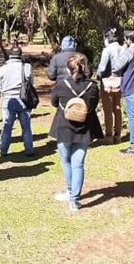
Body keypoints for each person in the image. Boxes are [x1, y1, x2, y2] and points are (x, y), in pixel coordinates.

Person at [49, 54, 104, 211]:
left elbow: (54, 102)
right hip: (85, 129)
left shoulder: (61, 85)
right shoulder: (92, 87)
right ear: (84, 67)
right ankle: (74, 200)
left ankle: (70, 191)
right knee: (78, 164)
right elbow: (93, 105)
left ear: (68, 68)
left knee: (66, 161)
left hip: (64, 127)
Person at [0, 47, 35, 157]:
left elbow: (0, 85)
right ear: (20, 55)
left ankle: (3, 150)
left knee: (6, 126)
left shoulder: (3, 68)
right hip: (24, 99)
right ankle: (29, 150)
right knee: (26, 126)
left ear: (10, 55)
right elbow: (31, 83)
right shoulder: (27, 67)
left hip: (8, 99)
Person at [96, 29, 124, 144]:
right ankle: (118, 135)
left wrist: (98, 76)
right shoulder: (123, 49)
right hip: (120, 81)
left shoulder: (107, 50)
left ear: (107, 39)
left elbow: (102, 68)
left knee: (108, 109)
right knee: (117, 108)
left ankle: (108, 136)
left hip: (107, 82)